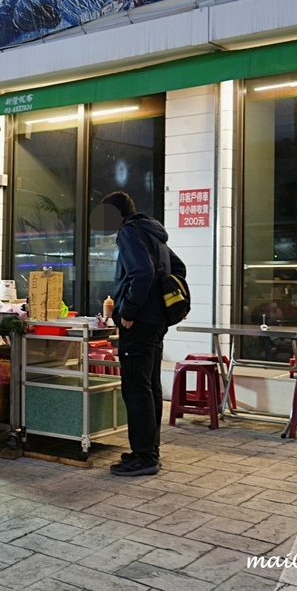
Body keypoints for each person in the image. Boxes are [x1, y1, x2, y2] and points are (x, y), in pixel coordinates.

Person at [101, 191, 186, 477]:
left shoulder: (128, 232)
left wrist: (128, 311)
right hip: (156, 321)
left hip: (138, 324)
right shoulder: (153, 233)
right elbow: (178, 268)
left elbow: (142, 273)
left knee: (136, 389)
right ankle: (150, 451)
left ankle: (143, 457)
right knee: (150, 386)